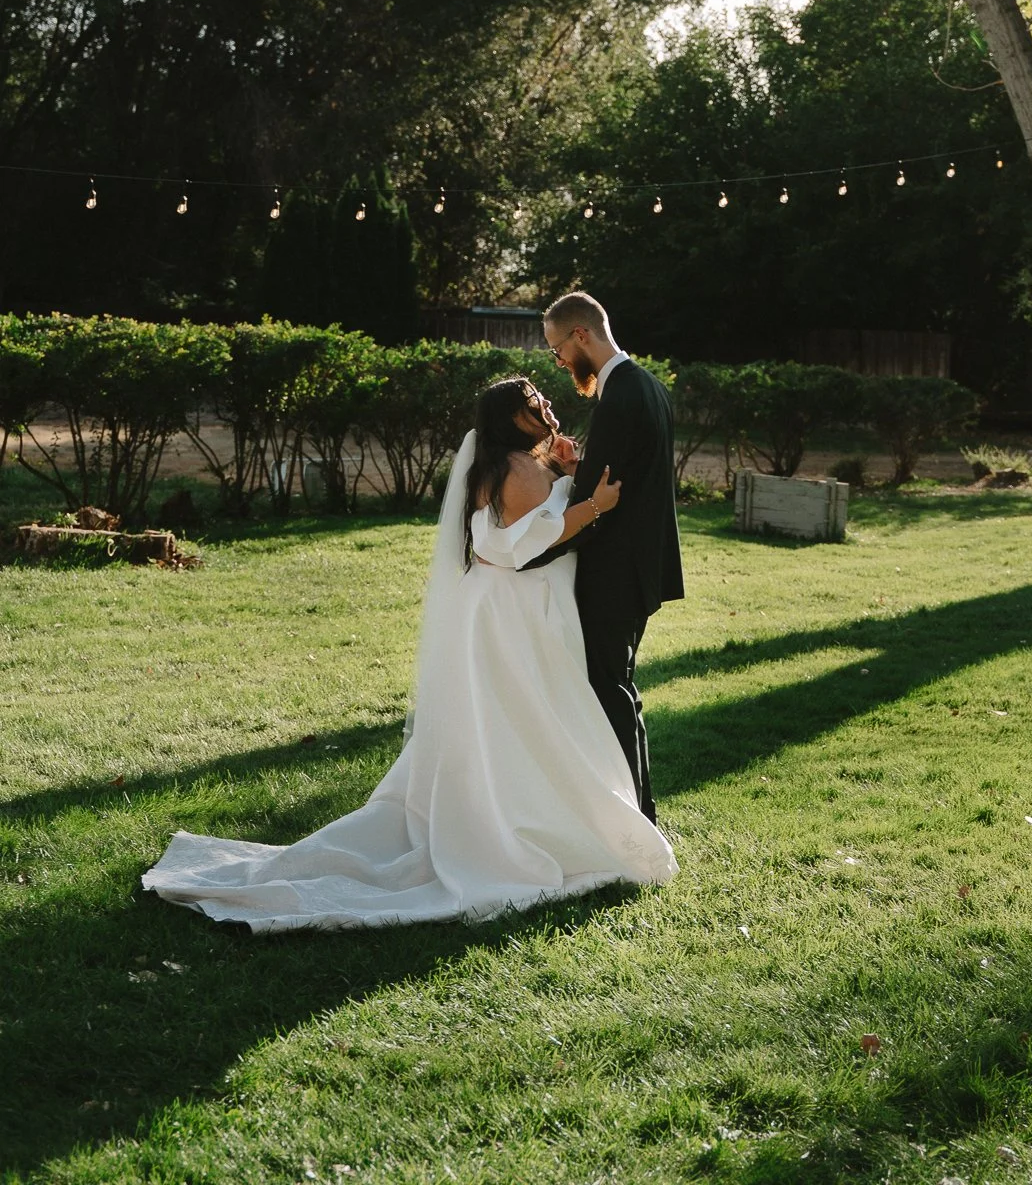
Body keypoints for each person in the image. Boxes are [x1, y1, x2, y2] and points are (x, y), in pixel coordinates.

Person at [141, 376, 676, 932]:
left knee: (507, 715)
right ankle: (522, 823)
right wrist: (593, 504)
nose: (545, 405)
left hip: (502, 608)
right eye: (531, 404)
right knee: (528, 712)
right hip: (517, 609)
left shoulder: (509, 465)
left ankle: (520, 808)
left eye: (542, 398)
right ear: (509, 418)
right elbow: (522, 547)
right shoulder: (519, 469)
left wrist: (564, 473)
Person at [531, 291, 683, 822]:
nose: (558, 361)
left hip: (615, 570)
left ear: (581, 336)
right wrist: (580, 470)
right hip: (638, 564)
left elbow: (601, 501)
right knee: (617, 688)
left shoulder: (621, 395)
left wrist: (533, 545)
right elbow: (616, 478)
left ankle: (636, 820)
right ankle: (637, 813)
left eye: (557, 349)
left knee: (610, 690)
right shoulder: (644, 385)